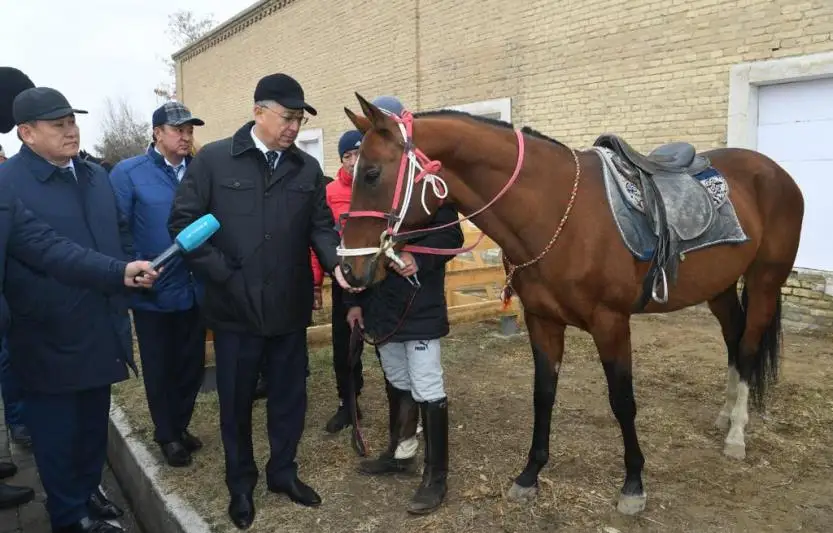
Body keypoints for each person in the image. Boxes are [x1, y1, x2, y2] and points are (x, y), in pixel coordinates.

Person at [168, 72, 356, 530]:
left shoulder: (306, 169)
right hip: (234, 311)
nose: (293, 127)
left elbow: (320, 227)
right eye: (287, 117)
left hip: (289, 308)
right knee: (234, 404)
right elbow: (183, 225)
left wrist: (335, 263)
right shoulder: (214, 161)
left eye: (299, 119)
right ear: (259, 112)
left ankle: (283, 473)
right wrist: (226, 276)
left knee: (290, 399)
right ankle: (241, 484)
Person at [0, 85, 155, 533]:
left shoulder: (92, 175)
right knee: (56, 434)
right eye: (58, 124)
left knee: (91, 426)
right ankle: (69, 516)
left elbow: (119, 233)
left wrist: (126, 269)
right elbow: (46, 252)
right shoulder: (10, 186)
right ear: (27, 133)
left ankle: (88, 492)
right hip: (48, 333)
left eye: (72, 121)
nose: (71, 132)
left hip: (101, 322)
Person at [348, 95, 462, 516]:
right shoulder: (378, 191)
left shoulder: (432, 186)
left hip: (418, 302)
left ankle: (437, 475)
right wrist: (353, 302)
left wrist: (419, 254)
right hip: (382, 305)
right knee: (396, 377)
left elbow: (450, 238)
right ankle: (401, 450)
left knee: (428, 385)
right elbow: (356, 247)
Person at [110, 102, 207, 468]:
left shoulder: (200, 170)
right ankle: (166, 433)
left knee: (192, 364)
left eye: (189, 130)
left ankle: (179, 425)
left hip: (196, 287)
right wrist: (134, 265)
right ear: (157, 133)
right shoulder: (128, 173)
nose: (185, 136)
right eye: (177, 129)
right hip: (154, 288)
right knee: (160, 366)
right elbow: (118, 228)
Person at [311, 129, 365, 434]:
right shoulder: (330, 194)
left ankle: (399, 400)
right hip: (344, 280)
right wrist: (317, 283)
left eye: (359, 154)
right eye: (348, 156)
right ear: (341, 159)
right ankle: (348, 403)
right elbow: (319, 240)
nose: (355, 161)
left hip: (378, 280)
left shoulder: (379, 188)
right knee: (344, 348)